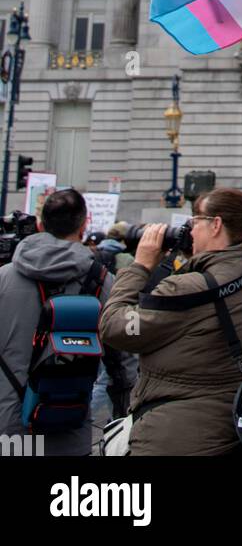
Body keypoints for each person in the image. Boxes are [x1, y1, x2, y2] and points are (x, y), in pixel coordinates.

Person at [100, 187, 242, 455]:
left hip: (173, 436)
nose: (190, 229)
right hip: (234, 430)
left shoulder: (188, 289)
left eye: (195, 220)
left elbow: (114, 326)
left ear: (216, 225)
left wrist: (140, 266)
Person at [0, 188, 117, 456]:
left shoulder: (4, 278)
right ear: (84, 225)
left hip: (9, 432)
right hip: (70, 430)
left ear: (41, 225)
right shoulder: (101, 281)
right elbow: (122, 363)